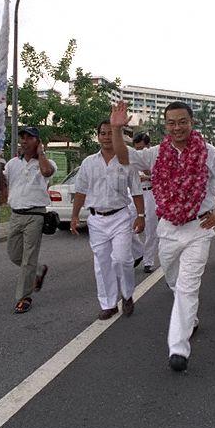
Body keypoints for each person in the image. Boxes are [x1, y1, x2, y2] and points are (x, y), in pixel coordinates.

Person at [110, 101, 215, 372]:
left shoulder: (209, 152)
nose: (177, 127)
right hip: (168, 229)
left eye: (182, 122)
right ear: (165, 125)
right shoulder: (156, 153)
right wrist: (118, 130)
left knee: (189, 285)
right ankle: (188, 316)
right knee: (174, 279)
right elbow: (123, 156)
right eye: (171, 123)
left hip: (198, 229)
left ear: (191, 122)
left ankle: (178, 348)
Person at [71, 120, 145, 320]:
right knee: (102, 264)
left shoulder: (125, 160)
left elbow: (137, 191)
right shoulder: (88, 163)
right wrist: (75, 215)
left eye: (109, 133)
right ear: (98, 136)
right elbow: (80, 191)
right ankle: (109, 304)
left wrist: (140, 216)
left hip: (121, 216)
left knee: (122, 259)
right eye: (102, 133)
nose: (106, 137)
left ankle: (127, 294)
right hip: (96, 220)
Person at [2, 127, 56, 314]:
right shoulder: (12, 164)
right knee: (13, 253)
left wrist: (40, 154)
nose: (24, 141)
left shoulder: (46, 163)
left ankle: (24, 297)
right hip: (16, 214)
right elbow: (6, 184)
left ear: (38, 141)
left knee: (28, 258)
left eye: (29, 138)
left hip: (35, 215)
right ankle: (39, 269)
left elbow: (47, 172)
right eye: (22, 137)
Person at [131, 132, 158, 273]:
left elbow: (162, 177)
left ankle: (148, 261)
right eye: (136, 148)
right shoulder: (133, 158)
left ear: (148, 145)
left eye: (141, 148)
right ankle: (138, 251)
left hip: (151, 193)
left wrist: (147, 176)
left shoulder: (154, 156)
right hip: (134, 195)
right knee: (126, 224)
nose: (139, 151)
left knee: (150, 229)